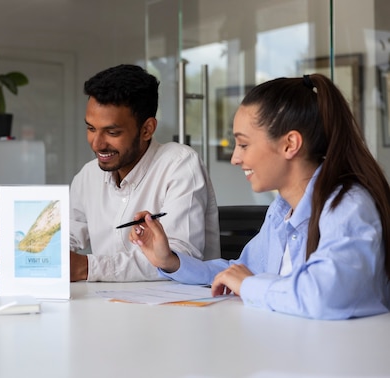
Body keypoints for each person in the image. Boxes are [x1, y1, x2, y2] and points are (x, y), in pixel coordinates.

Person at [131, 74, 390, 319]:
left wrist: (250, 285)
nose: (235, 158)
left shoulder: (347, 206)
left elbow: (325, 295)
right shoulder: (281, 210)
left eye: (243, 144)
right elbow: (239, 272)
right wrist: (171, 261)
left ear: (290, 144)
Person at [69, 64, 220, 282]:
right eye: (91, 129)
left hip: (178, 307)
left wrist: (88, 267)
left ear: (147, 129)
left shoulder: (179, 164)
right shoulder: (88, 175)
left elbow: (180, 256)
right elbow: (67, 235)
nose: (97, 144)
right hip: (108, 304)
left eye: (112, 132)